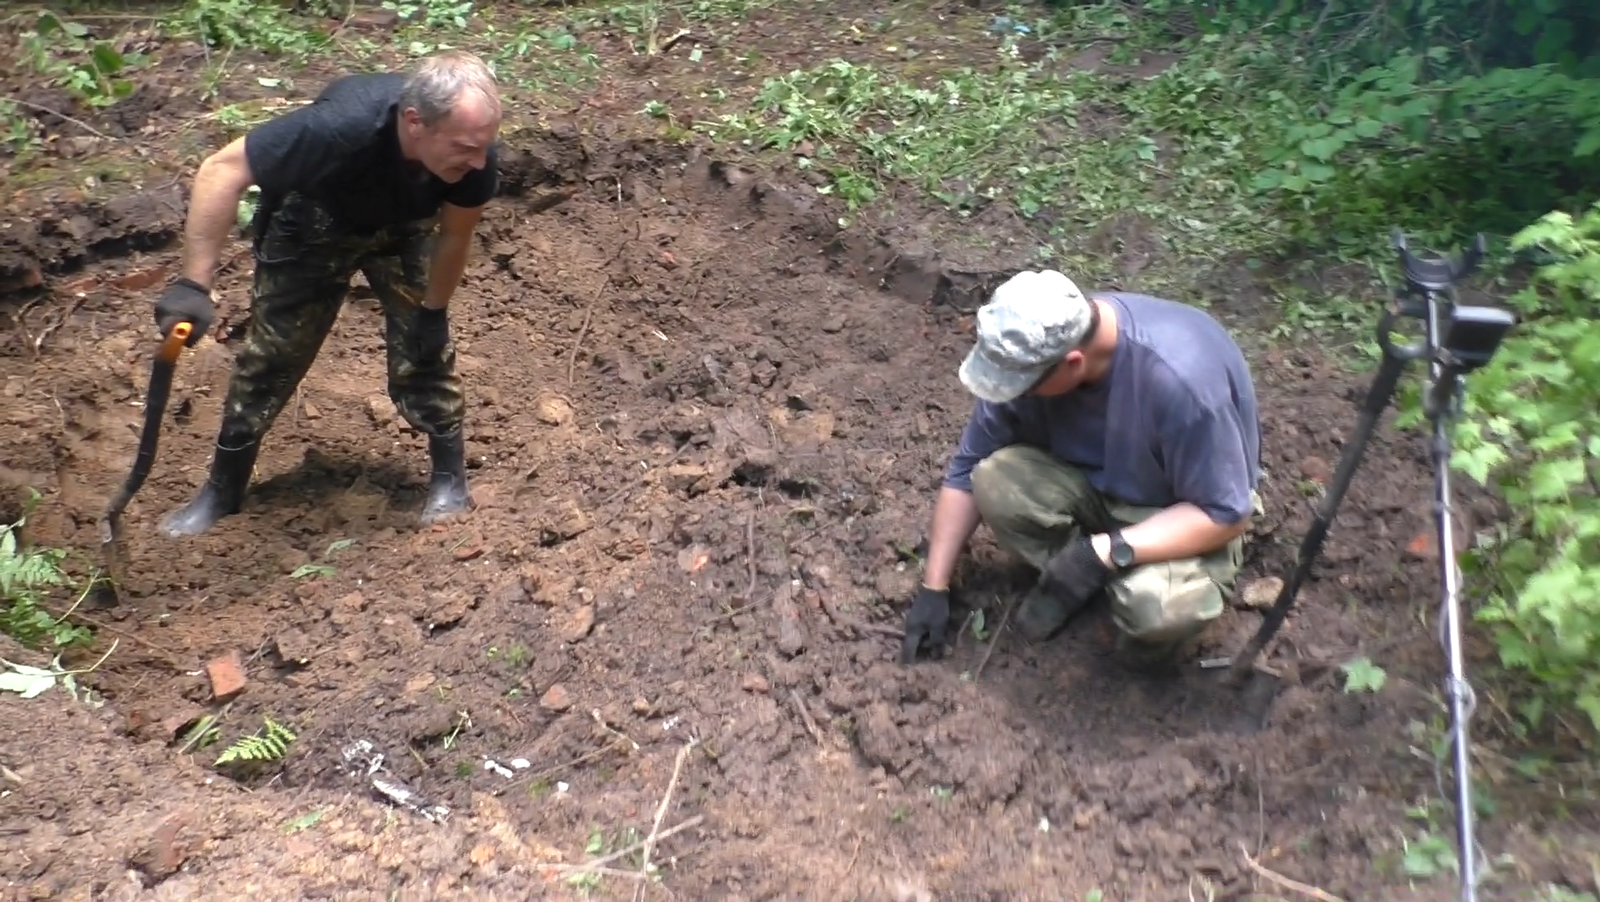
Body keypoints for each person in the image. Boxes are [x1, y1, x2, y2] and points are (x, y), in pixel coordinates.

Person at [148, 51, 502, 537]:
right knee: (273, 353)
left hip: (404, 226)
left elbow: (455, 236)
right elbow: (220, 170)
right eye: (465, 147)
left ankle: (449, 480)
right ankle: (222, 490)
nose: (479, 160)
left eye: (484, 146)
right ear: (416, 122)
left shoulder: (473, 158)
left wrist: (433, 312)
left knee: (425, 350)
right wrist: (193, 285)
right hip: (315, 219)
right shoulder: (336, 130)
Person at [900, 270, 1262, 671]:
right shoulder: (1030, 343)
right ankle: (1086, 582)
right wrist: (935, 587)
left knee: (1157, 608)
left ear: (1072, 364)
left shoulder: (1183, 382)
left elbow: (1225, 514)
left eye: (1024, 387)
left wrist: (1100, 553)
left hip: (1177, 512)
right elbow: (966, 470)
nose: (1013, 396)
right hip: (1093, 486)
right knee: (994, 478)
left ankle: (1124, 601)